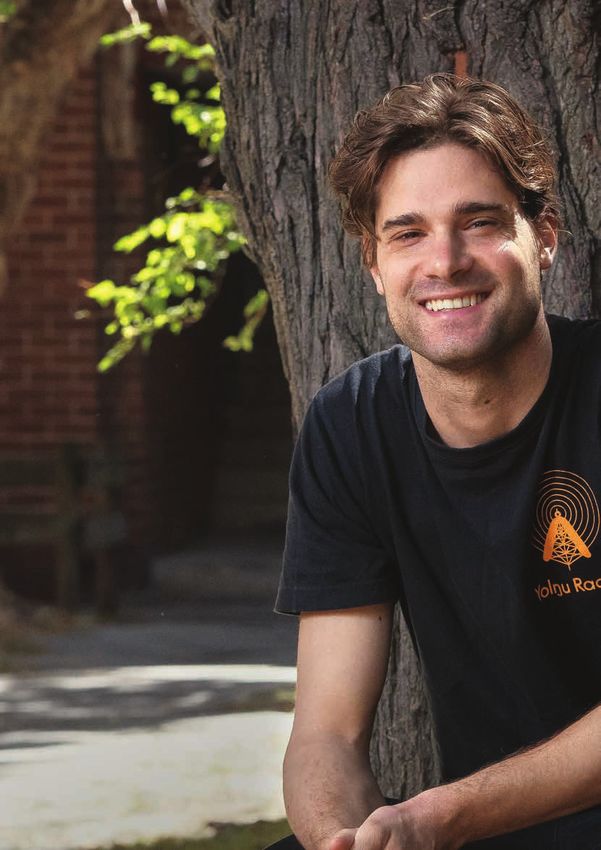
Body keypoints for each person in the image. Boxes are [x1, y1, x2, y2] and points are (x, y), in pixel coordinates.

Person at [269, 74, 601, 850]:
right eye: (407, 233)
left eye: (478, 223)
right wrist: (340, 838)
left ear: (543, 234)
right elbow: (325, 731)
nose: (444, 262)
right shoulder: (350, 426)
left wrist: (439, 817)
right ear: (372, 262)